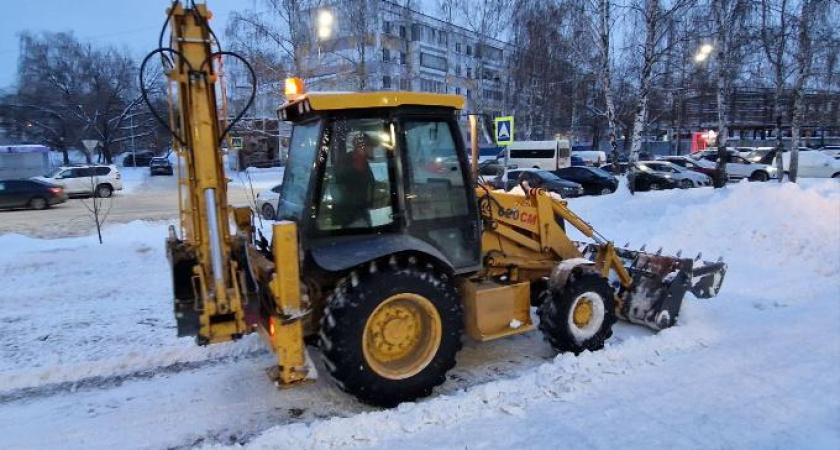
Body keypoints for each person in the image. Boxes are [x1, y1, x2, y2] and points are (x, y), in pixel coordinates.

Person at [332, 133, 376, 227]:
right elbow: (340, 188)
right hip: (352, 215)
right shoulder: (349, 162)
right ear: (362, 147)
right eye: (371, 147)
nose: (373, 150)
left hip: (360, 212)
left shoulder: (362, 162)